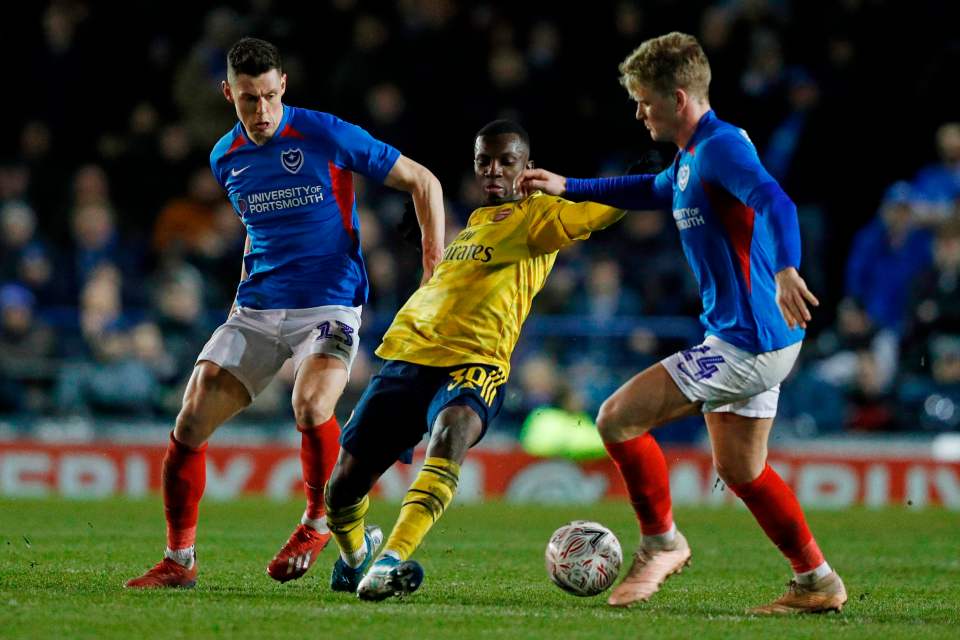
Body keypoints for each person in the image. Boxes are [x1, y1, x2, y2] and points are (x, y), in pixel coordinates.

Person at [521, 32, 845, 615]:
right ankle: (816, 580)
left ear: (678, 96)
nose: (638, 111)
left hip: (750, 340)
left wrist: (788, 269)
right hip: (750, 336)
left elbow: (777, 201)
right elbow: (652, 189)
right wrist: (569, 187)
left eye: (644, 100)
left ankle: (661, 544)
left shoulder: (721, 148)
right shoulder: (692, 156)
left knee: (616, 418)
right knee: (742, 468)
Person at [125, 37, 444, 589]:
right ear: (229, 93)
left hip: (330, 301)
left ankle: (316, 523)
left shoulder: (324, 132)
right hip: (258, 306)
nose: (263, 111)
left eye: (271, 96)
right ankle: (180, 562)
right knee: (191, 417)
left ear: (284, 87)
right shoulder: (225, 158)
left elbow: (424, 182)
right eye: (250, 99)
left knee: (311, 399)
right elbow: (261, 233)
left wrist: (431, 270)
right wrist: (239, 308)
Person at [321, 119, 624, 600]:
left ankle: (391, 561)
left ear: (527, 167)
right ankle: (355, 556)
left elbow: (602, 212)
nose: (493, 171)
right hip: (408, 357)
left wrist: (651, 177)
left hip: (477, 362)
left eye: (506, 161)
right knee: (340, 491)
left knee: (451, 431)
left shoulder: (539, 215)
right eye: (485, 161)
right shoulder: (472, 226)